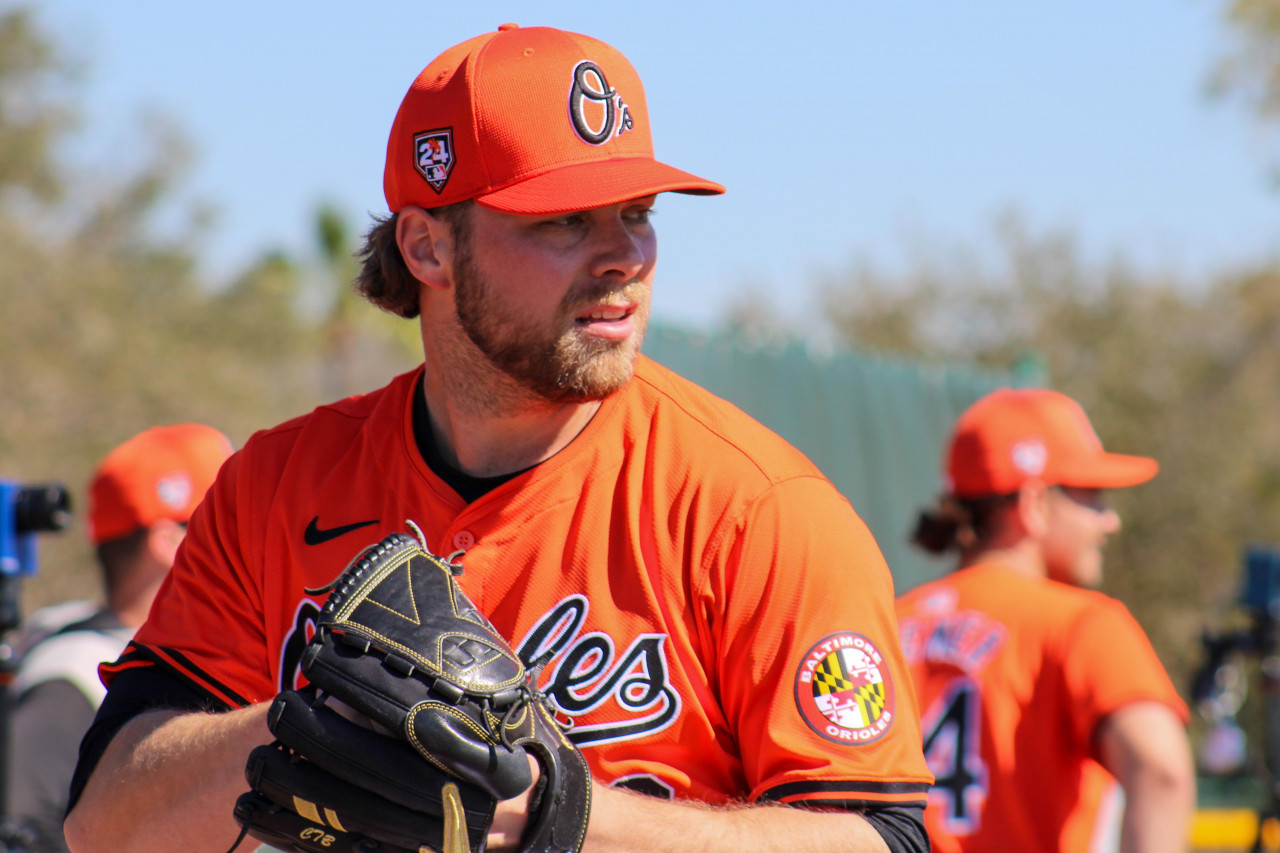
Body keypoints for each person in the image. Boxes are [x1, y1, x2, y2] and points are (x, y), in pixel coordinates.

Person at [63, 24, 933, 853]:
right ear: (428, 247)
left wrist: (563, 816)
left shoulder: (756, 510)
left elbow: (880, 836)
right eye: (566, 220)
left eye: (637, 211)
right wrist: (307, 725)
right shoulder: (273, 486)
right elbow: (102, 824)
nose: (623, 256)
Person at [895, 387, 1195, 852]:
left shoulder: (884, 623)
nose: (1108, 520)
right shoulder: (1081, 623)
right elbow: (1162, 770)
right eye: (1091, 496)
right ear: (1034, 504)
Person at [8, 423, 232, 853]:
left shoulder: (179, 652)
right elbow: (27, 830)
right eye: (228, 520)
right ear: (169, 541)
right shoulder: (71, 670)